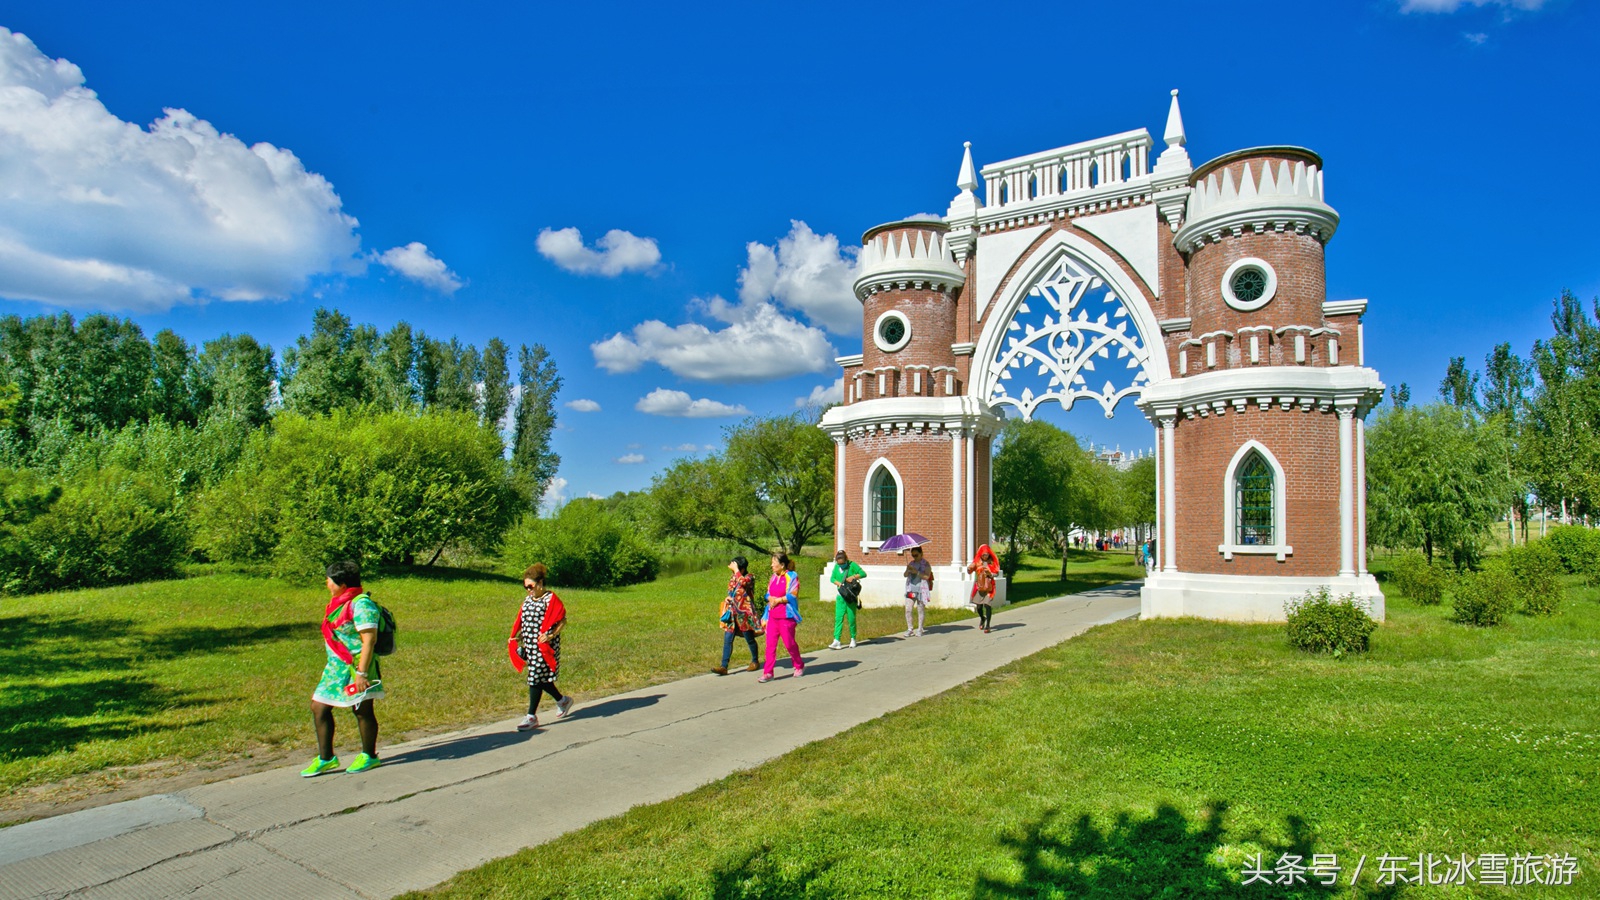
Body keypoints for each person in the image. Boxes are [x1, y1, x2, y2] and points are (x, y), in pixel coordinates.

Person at [303, 560, 384, 777]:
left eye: (330, 581)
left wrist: (362, 673)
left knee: (362, 710)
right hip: (335, 669)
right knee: (318, 707)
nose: (327, 584)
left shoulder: (362, 605)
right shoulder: (338, 603)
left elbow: (369, 641)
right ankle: (326, 758)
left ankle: (369, 756)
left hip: (357, 667)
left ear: (343, 584)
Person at [511, 563, 575, 731]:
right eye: (525, 587)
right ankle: (563, 701)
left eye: (530, 586)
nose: (528, 590)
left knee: (535, 677)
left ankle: (531, 716)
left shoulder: (551, 599)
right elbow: (524, 620)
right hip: (530, 645)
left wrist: (551, 635)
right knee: (542, 678)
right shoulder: (528, 599)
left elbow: (562, 620)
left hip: (545, 646)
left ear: (540, 583)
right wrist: (518, 637)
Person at [758, 552, 803, 682]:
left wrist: (778, 600)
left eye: (774, 562)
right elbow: (767, 593)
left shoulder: (792, 576)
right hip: (772, 616)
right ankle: (768, 673)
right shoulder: (773, 577)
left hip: (786, 616)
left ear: (782, 565)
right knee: (770, 645)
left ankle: (799, 665)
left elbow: (793, 594)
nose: (772, 565)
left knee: (789, 644)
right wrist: (770, 598)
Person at [713, 556, 761, 675]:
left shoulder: (749, 577)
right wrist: (728, 597)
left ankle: (755, 661)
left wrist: (736, 570)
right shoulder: (734, 577)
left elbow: (743, 583)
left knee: (749, 638)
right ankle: (724, 666)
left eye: (736, 567)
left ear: (742, 569)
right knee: (727, 639)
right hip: (732, 613)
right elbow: (731, 590)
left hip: (744, 614)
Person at [828, 550, 865, 650]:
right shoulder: (836, 567)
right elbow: (832, 578)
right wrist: (838, 583)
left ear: (846, 560)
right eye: (839, 563)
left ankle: (853, 638)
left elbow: (863, 573)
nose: (841, 565)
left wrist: (853, 576)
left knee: (851, 618)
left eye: (842, 563)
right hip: (840, 596)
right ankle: (836, 640)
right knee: (838, 618)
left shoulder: (852, 565)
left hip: (850, 597)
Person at [967, 544, 1000, 633]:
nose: (985, 556)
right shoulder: (977, 562)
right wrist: (969, 569)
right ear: (981, 554)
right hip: (980, 587)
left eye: (987, 554)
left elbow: (997, 573)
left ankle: (988, 625)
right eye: (984, 554)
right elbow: (971, 568)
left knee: (987, 605)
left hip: (989, 587)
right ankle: (982, 618)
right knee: (979, 607)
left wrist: (991, 574)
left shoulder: (992, 562)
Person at [903, 545, 933, 637]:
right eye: (913, 555)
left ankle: (920, 628)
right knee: (908, 609)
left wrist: (917, 572)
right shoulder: (911, 563)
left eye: (916, 555)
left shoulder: (926, 564)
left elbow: (927, 576)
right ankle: (910, 629)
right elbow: (905, 575)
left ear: (921, 554)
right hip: (911, 589)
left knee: (920, 609)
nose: (914, 557)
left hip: (921, 590)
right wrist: (908, 570)